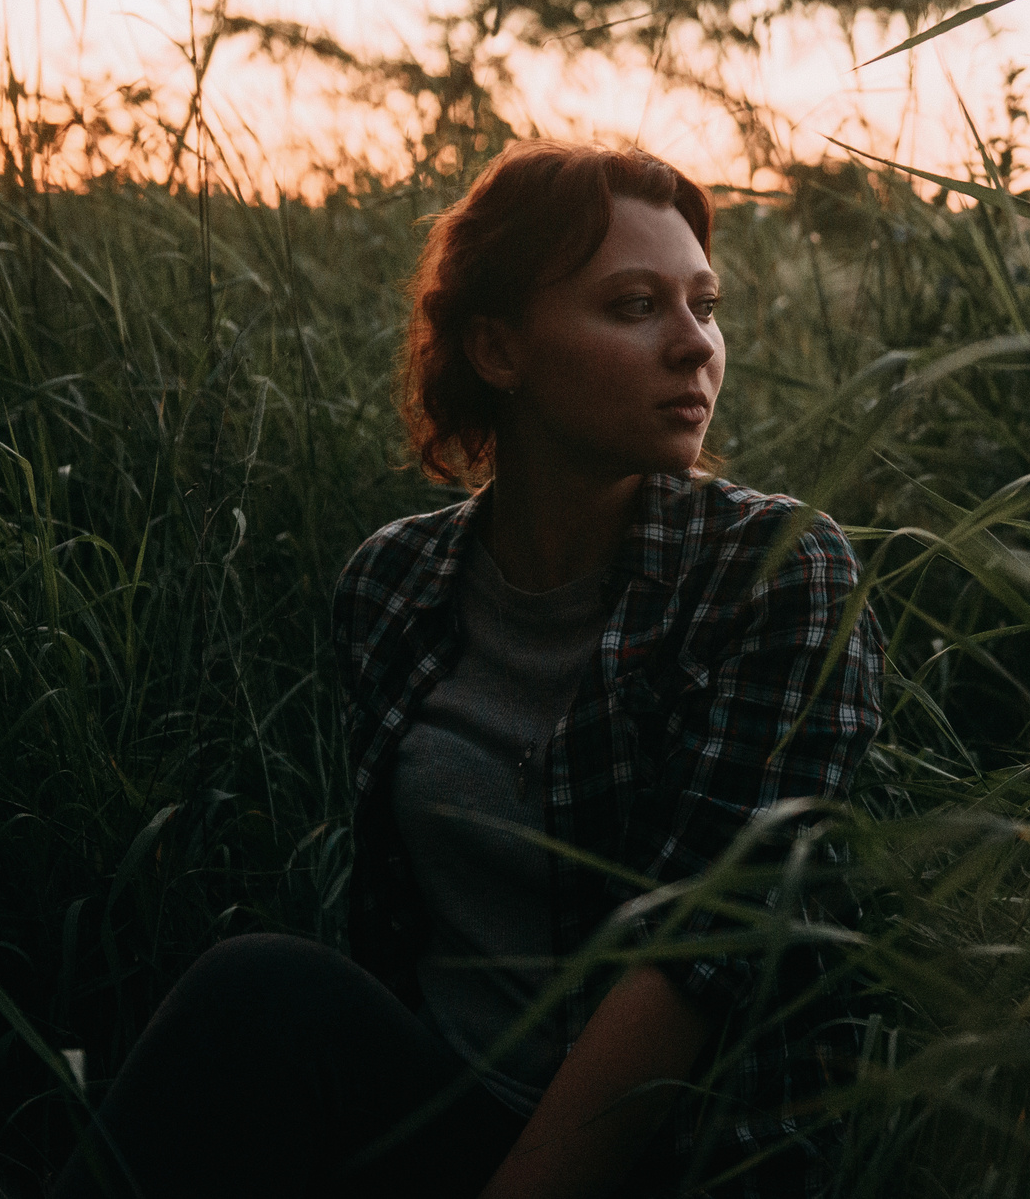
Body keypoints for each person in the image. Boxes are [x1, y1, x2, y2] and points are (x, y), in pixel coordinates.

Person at [53, 142, 883, 1199]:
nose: (694, 345)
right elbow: (399, 932)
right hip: (443, 1111)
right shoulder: (394, 583)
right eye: (635, 305)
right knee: (259, 993)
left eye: (705, 304)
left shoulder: (775, 570)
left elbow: (702, 952)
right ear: (498, 346)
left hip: (673, 1157)